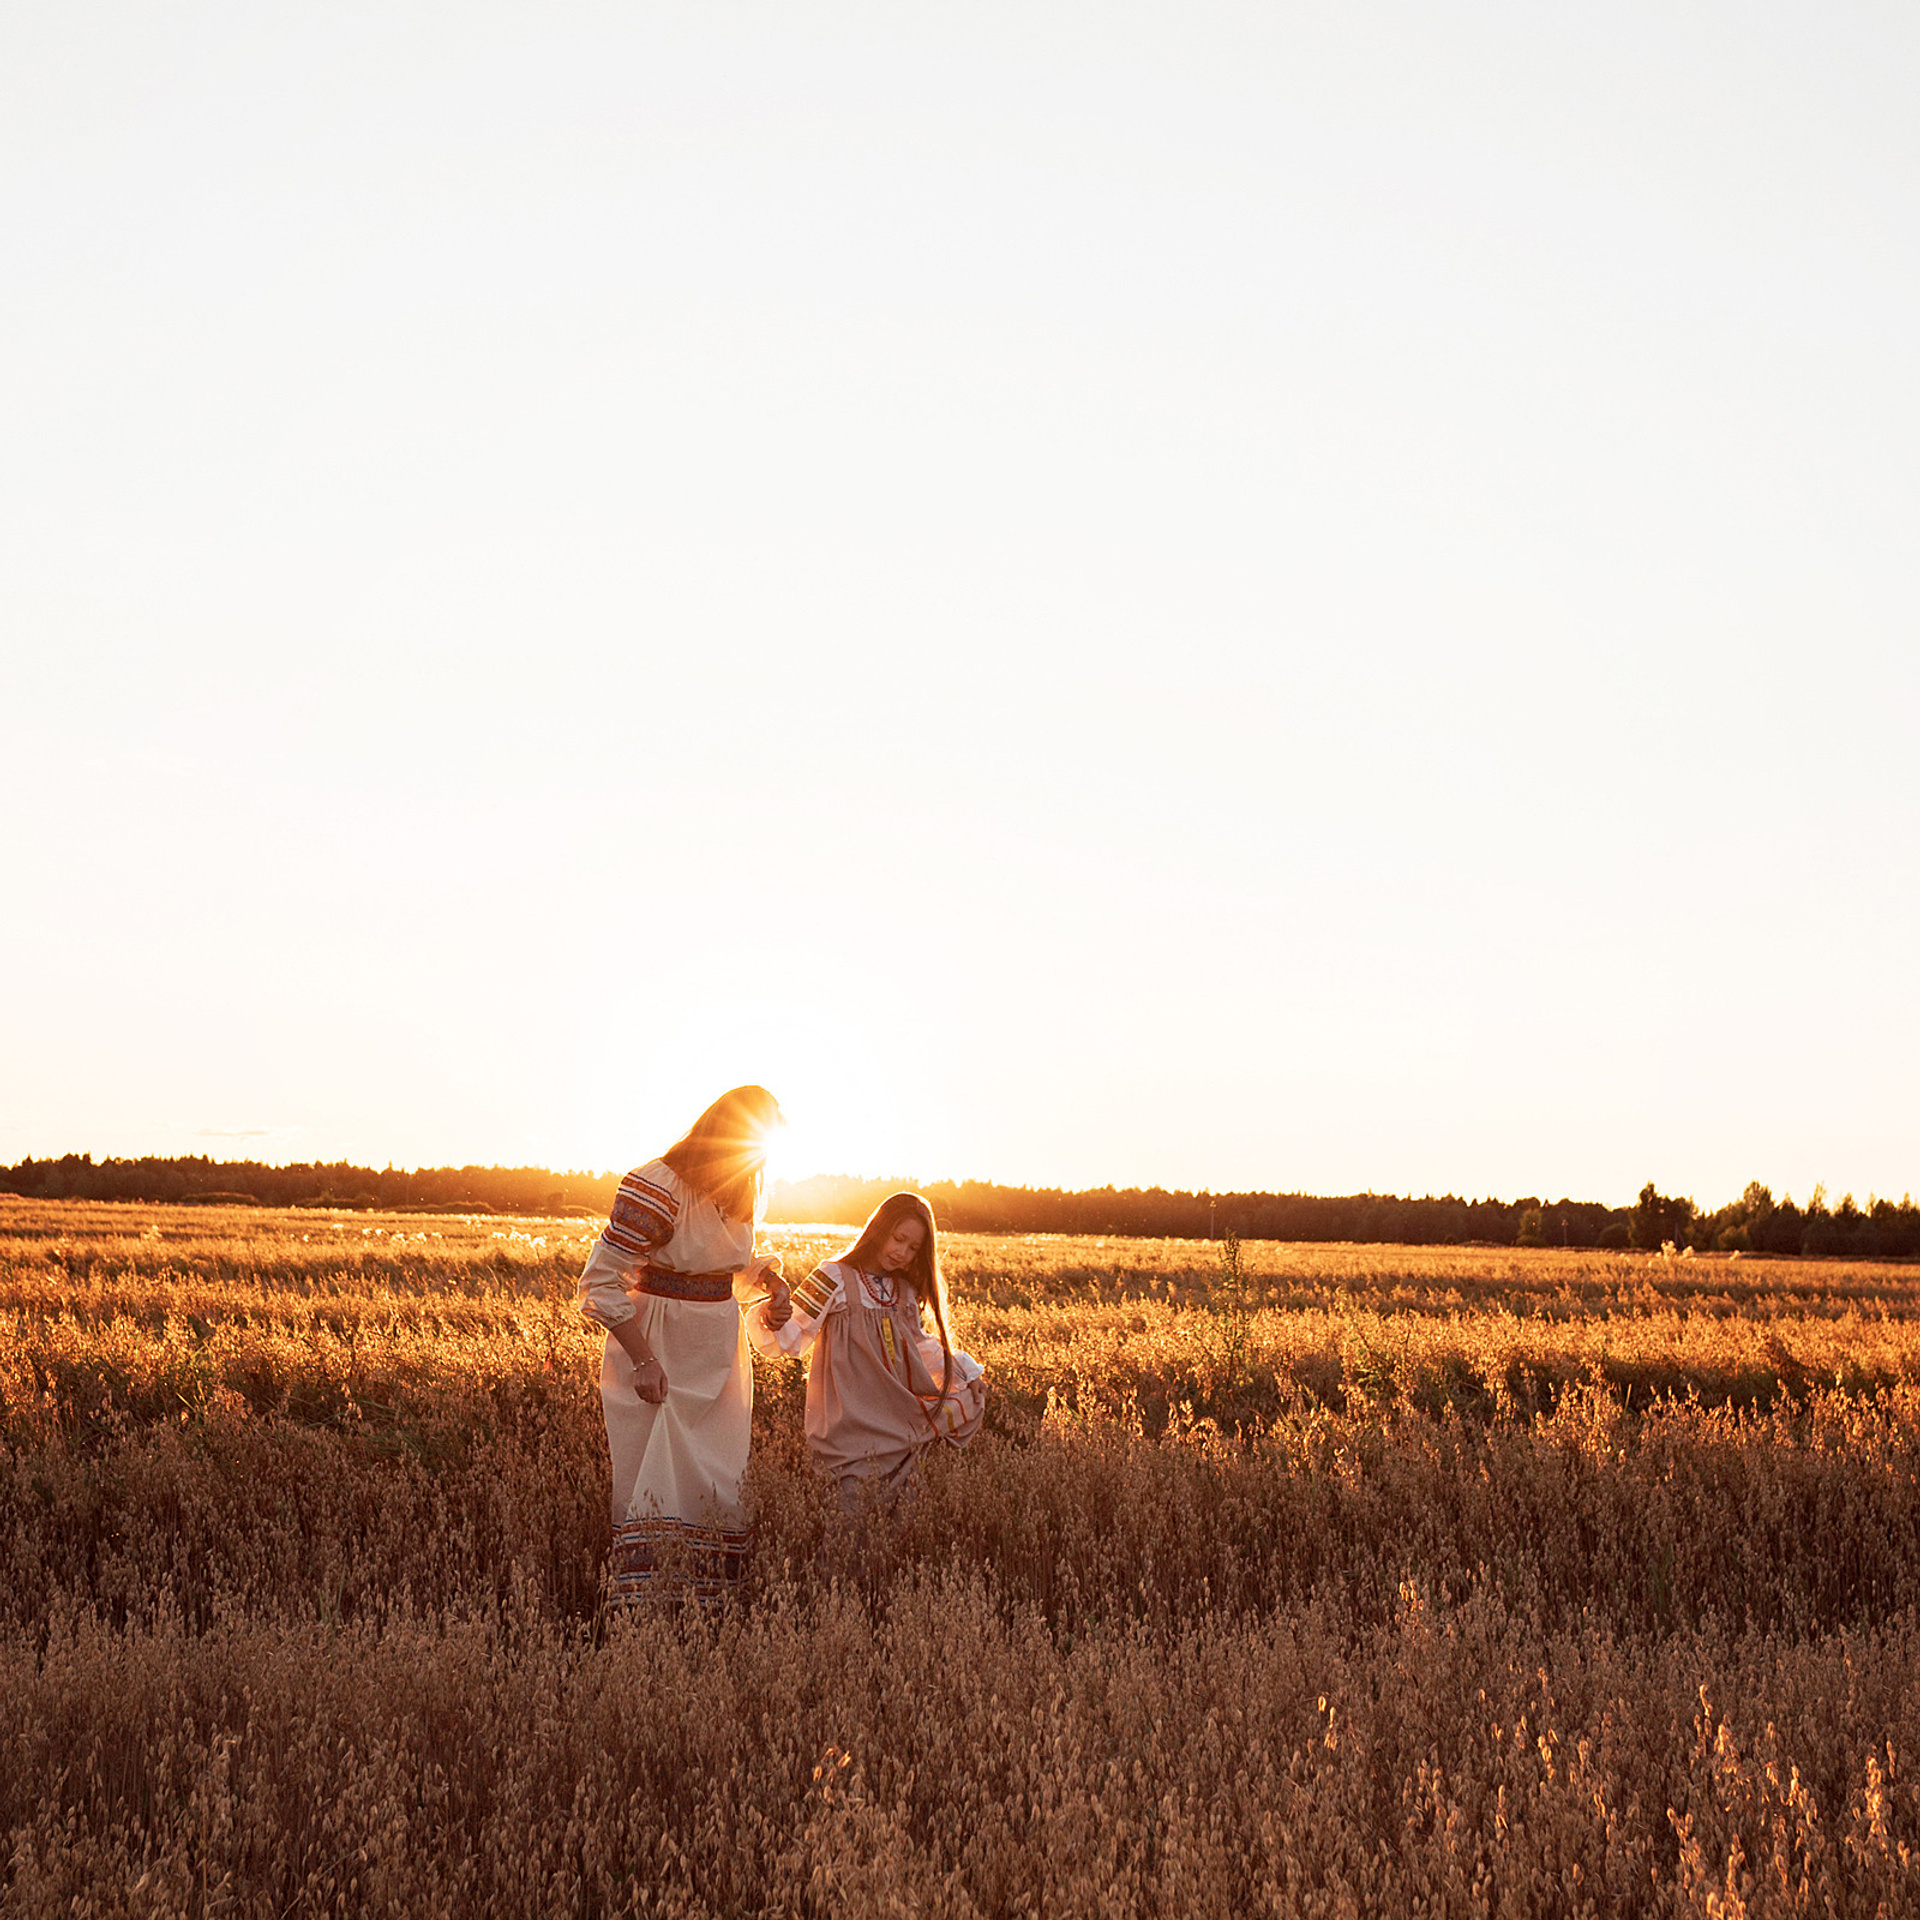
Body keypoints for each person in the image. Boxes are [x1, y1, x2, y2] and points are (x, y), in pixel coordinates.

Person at [577, 1085, 788, 1606]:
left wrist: (771, 1288)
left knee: (718, 1475)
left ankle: (706, 1603)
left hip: (719, 1353)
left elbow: (726, 1271)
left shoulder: (744, 1189)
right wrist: (643, 1359)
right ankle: (642, 1606)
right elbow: (600, 1283)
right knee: (653, 1473)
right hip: (659, 1348)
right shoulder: (657, 1186)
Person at [749, 1190, 985, 1508]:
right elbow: (793, 1335)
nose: (902, 1252)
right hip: (846, 1423)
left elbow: (921, 1347)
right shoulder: (832, 1276)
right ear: (879, 1230)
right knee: (847, 1516)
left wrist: (966, 1374)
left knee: (897, 1518)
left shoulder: (902, 1291)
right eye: (898, 1238)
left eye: (913, 1248)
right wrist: (772, 1317)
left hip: (894, 1418)